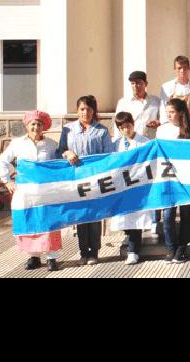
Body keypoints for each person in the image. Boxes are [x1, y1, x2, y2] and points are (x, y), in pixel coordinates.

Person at [0, 110, 62, 271]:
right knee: (30, 221)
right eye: (33, 124)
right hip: (25, 193)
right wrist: (8, 182)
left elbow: (60, 165)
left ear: (43, 126)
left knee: (49, 222)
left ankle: (52, 257)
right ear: (27, 126)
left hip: (46, 192)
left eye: (39, 124)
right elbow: (3, 161)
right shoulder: (18, 143)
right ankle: (34, 256)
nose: (36, 127)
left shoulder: (52, 145)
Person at [58, 95, 115, 265]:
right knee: (81, 215)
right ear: (77, 111)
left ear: (94, 111)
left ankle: (94, 251)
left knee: (95, 215)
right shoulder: (68, 129)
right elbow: (60, 150)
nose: (85, 112)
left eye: (89, 109)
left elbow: (108, 155)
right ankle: (83, 251)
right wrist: (67, 153)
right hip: (76, 179)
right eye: (82, 109)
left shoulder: (101, 131)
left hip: (95, 178)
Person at [108, 112, 154, 265]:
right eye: (122, 128)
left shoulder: (144, 142)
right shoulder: (118, 143)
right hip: (122, 186)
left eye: (127, 126)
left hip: (138, 185)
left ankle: (133, 251)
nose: (125, 130)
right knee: (125, 217)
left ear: (133, 124)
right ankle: (130, 241)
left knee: (136, 219)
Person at [157, 98, 190, 263]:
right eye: (167, 113)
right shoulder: (161, 130)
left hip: (186, 179)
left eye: (172, 112)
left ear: (180, 113)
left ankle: (182, 248)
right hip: (168, 179)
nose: (169, 116)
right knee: (168, 216)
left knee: (186, 215)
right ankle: (170, 248)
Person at [114, 71, 161, 140]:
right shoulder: (123, 102)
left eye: (138, 83)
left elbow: (163, 120)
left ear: (146, 84)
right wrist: (117, 143)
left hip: (150, 142)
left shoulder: (156, 101)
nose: (135, 86)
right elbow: (117, 124)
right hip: (131, 142)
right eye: (132, 83)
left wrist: (157, 123)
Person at [159, 55, 190, 123]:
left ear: (189, 69)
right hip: (173, 126)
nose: (182, 70)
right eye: (179, 68)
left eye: (185, 67)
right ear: (175, 69)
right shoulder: (167, 87)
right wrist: (165, 124)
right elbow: (163, 109)